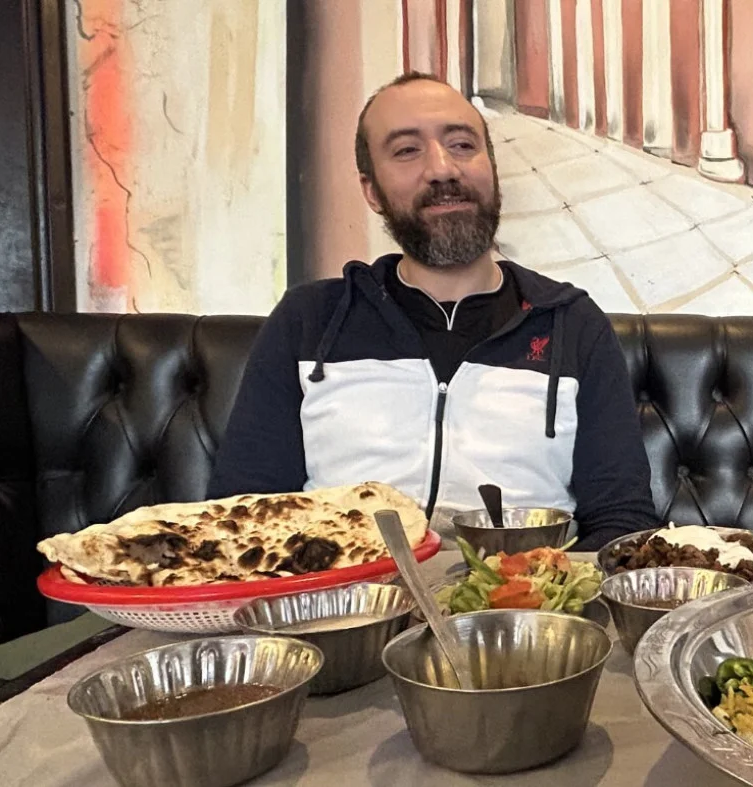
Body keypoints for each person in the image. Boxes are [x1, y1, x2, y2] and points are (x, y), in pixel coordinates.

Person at [208, 72, 657, 550]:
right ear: (372, 191)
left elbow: (621, 522)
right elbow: (243, 511)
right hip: (339, 605)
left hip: (522, 610)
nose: (443, 169)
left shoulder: (571, 323)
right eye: (406, 150)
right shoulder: (309, 320)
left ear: (492, 170)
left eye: (463, 145)